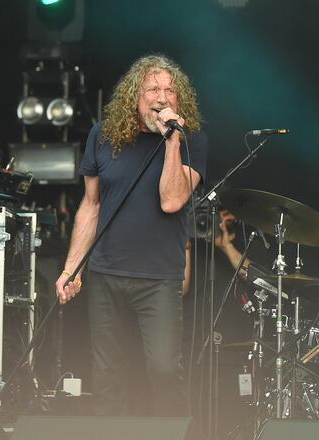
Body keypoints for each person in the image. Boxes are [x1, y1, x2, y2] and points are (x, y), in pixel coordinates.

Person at [55, 54, 208, 416]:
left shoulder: (192, 141)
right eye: (153, 88)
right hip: (107, 273)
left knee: (164, 371)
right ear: (134, 97)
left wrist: (172, 141)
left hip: (159, 278)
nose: (162, 97)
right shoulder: (103, 136)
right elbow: (90, 206)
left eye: (170, 90)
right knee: (108, 375)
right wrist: (70, 270)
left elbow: (171, 200)